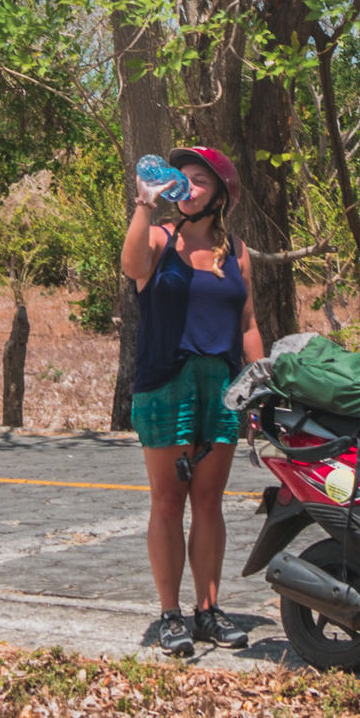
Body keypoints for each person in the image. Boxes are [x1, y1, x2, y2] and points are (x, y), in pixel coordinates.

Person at [120, 145, 264, 656]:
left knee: (208, 502)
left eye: (199, 180)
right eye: (181, 178)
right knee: (167, 501)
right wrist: (144, 204)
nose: (187, 186)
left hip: (220, 388)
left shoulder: (238, 252)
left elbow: (247, 324)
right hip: (166, 383)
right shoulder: (158, 238)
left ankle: (208, 610)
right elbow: (131, 265)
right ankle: (170, 614)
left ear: (221, 194)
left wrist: (256, 388)